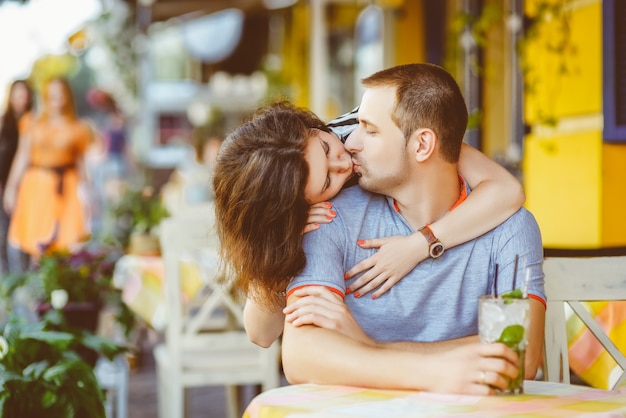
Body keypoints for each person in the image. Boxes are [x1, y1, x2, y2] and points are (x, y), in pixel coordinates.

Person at [278, 63, 545, 394]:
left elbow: (522, 358)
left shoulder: (509, 227)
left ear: (421, 146)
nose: (350, 143)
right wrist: (436, 372)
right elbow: (300, 355)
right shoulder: (328, 217)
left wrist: (366, 348)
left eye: (370, 130)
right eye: (356, 124)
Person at [215, 102, 526, 349]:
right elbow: (260, 333)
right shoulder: (298, 218)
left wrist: (419, 245)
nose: (343, 163)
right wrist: (285, 240)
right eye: (327, 181)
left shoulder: (367, 126)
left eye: (325, 147)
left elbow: (507, 191)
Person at [3, 77, 94, 262]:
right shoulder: (32, 122)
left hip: (66, 187)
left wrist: (87, 194)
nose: (56, 99)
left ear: (68, 96)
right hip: (36, 187)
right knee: (37, 242)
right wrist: (11, 187)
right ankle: (37, 286)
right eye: (52, 95)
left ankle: (59, 286)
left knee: (66, 242)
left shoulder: (78, 128)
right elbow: (22, 156)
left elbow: (81, 163)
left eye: (60, 95)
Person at [0, 80, 34, 275]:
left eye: (25, 94)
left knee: (25, 234)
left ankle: (25, 276)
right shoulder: (4, 123)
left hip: (27, 187)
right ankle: (7, 280)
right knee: (3, 235)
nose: (22, 98)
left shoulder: (33, 122)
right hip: (4, 186)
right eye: (18, 94)